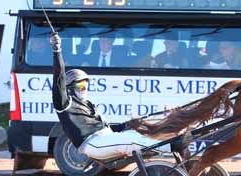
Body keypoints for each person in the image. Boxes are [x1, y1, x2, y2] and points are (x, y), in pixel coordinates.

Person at [50, 33, 168, 161]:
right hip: (92, 143)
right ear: (70, 88)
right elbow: (59, 79)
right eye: (82, 86)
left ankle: (170, 143)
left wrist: (129, 125)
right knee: (131, 140)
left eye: (86, 85)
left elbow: (109, 128)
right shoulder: (64, 104)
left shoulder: (88, 104)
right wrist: (57, 50)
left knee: (136, 133)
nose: (85, 89)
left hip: (105, 138)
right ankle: (171, 146)